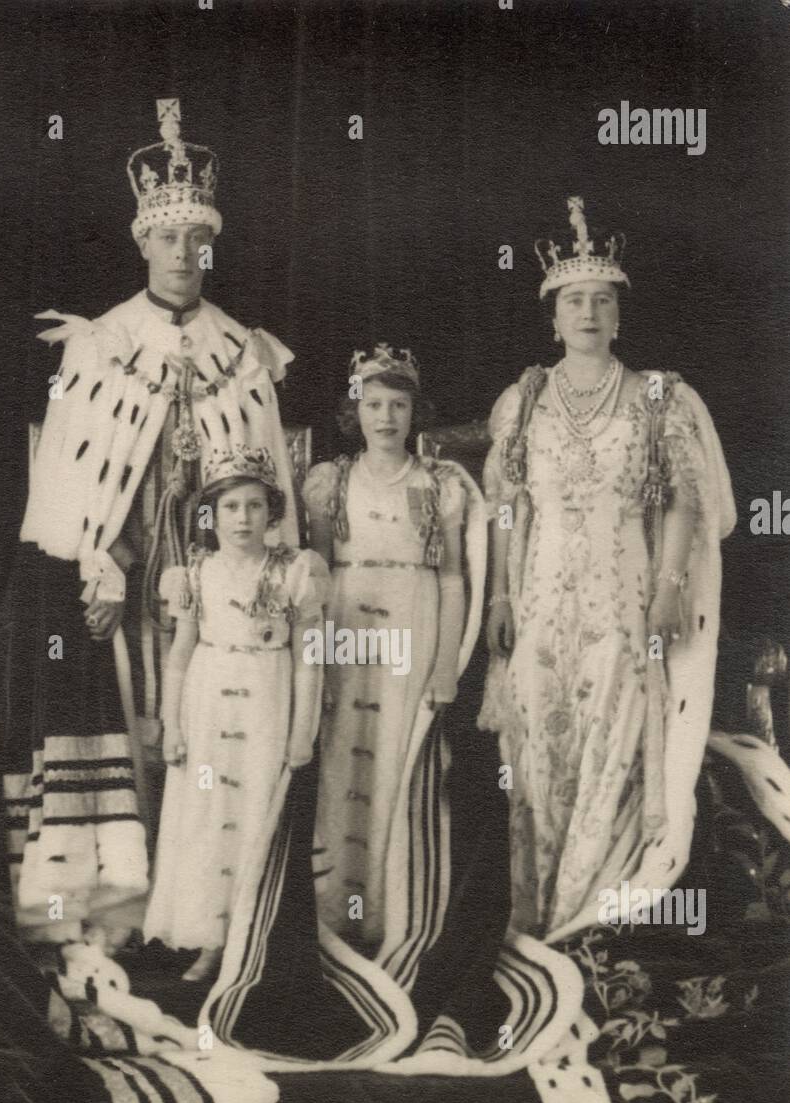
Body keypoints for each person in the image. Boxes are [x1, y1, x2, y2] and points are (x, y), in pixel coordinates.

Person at [6, 98, 298, 945]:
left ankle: (205, 903)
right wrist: (96, 565)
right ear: (143, 243)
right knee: (136, 706)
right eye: (168, 239)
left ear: (212, 246)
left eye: (196, 240)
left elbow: (267, 486)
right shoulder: (97, 346)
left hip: (218, 576)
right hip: (125, 567)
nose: (183, 253)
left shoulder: (243, 351)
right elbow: (65, 490)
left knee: (208, 713)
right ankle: (123, 900)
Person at [481, 195, 736, 943]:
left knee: (614, 734)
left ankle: (593, 919)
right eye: (572, 301)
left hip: (626, 593)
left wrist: (669, 587)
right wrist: (499, 591)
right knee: (540, 739)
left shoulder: (659, 396)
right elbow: (505, 504)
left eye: (600, 300)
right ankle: (536, 917)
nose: (587, 313)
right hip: (541, 592)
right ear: (552, 317)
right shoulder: (523, 400)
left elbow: (684, 502)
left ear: (618, 316)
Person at [303, 345, 467, 954]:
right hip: (348, 621)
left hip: (412, 618)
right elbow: (316, 574)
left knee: (400, 761)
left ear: (414, 411)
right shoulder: (330, 480)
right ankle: (335, 918)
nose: (386, 418)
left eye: (398, 405)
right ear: (357, 411)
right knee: (343, 761)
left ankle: (394, 916)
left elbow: (452, 578)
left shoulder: (437, 485)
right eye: (374, 405)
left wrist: (446, 663)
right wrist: (314, 658)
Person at [143, 446, 329, 981]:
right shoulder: (194, 575)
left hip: (266, 702)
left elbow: (307, 659)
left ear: (272, 513)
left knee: (256, 816)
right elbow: (178, 657)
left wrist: (302, 733)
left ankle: (252, 936)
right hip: (207, 701)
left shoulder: (295, 571)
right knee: (206, 814)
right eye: (230, 507)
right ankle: (209, 936)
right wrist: (171, 725)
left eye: (254, 506)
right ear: (212, 514)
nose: (243, 518)